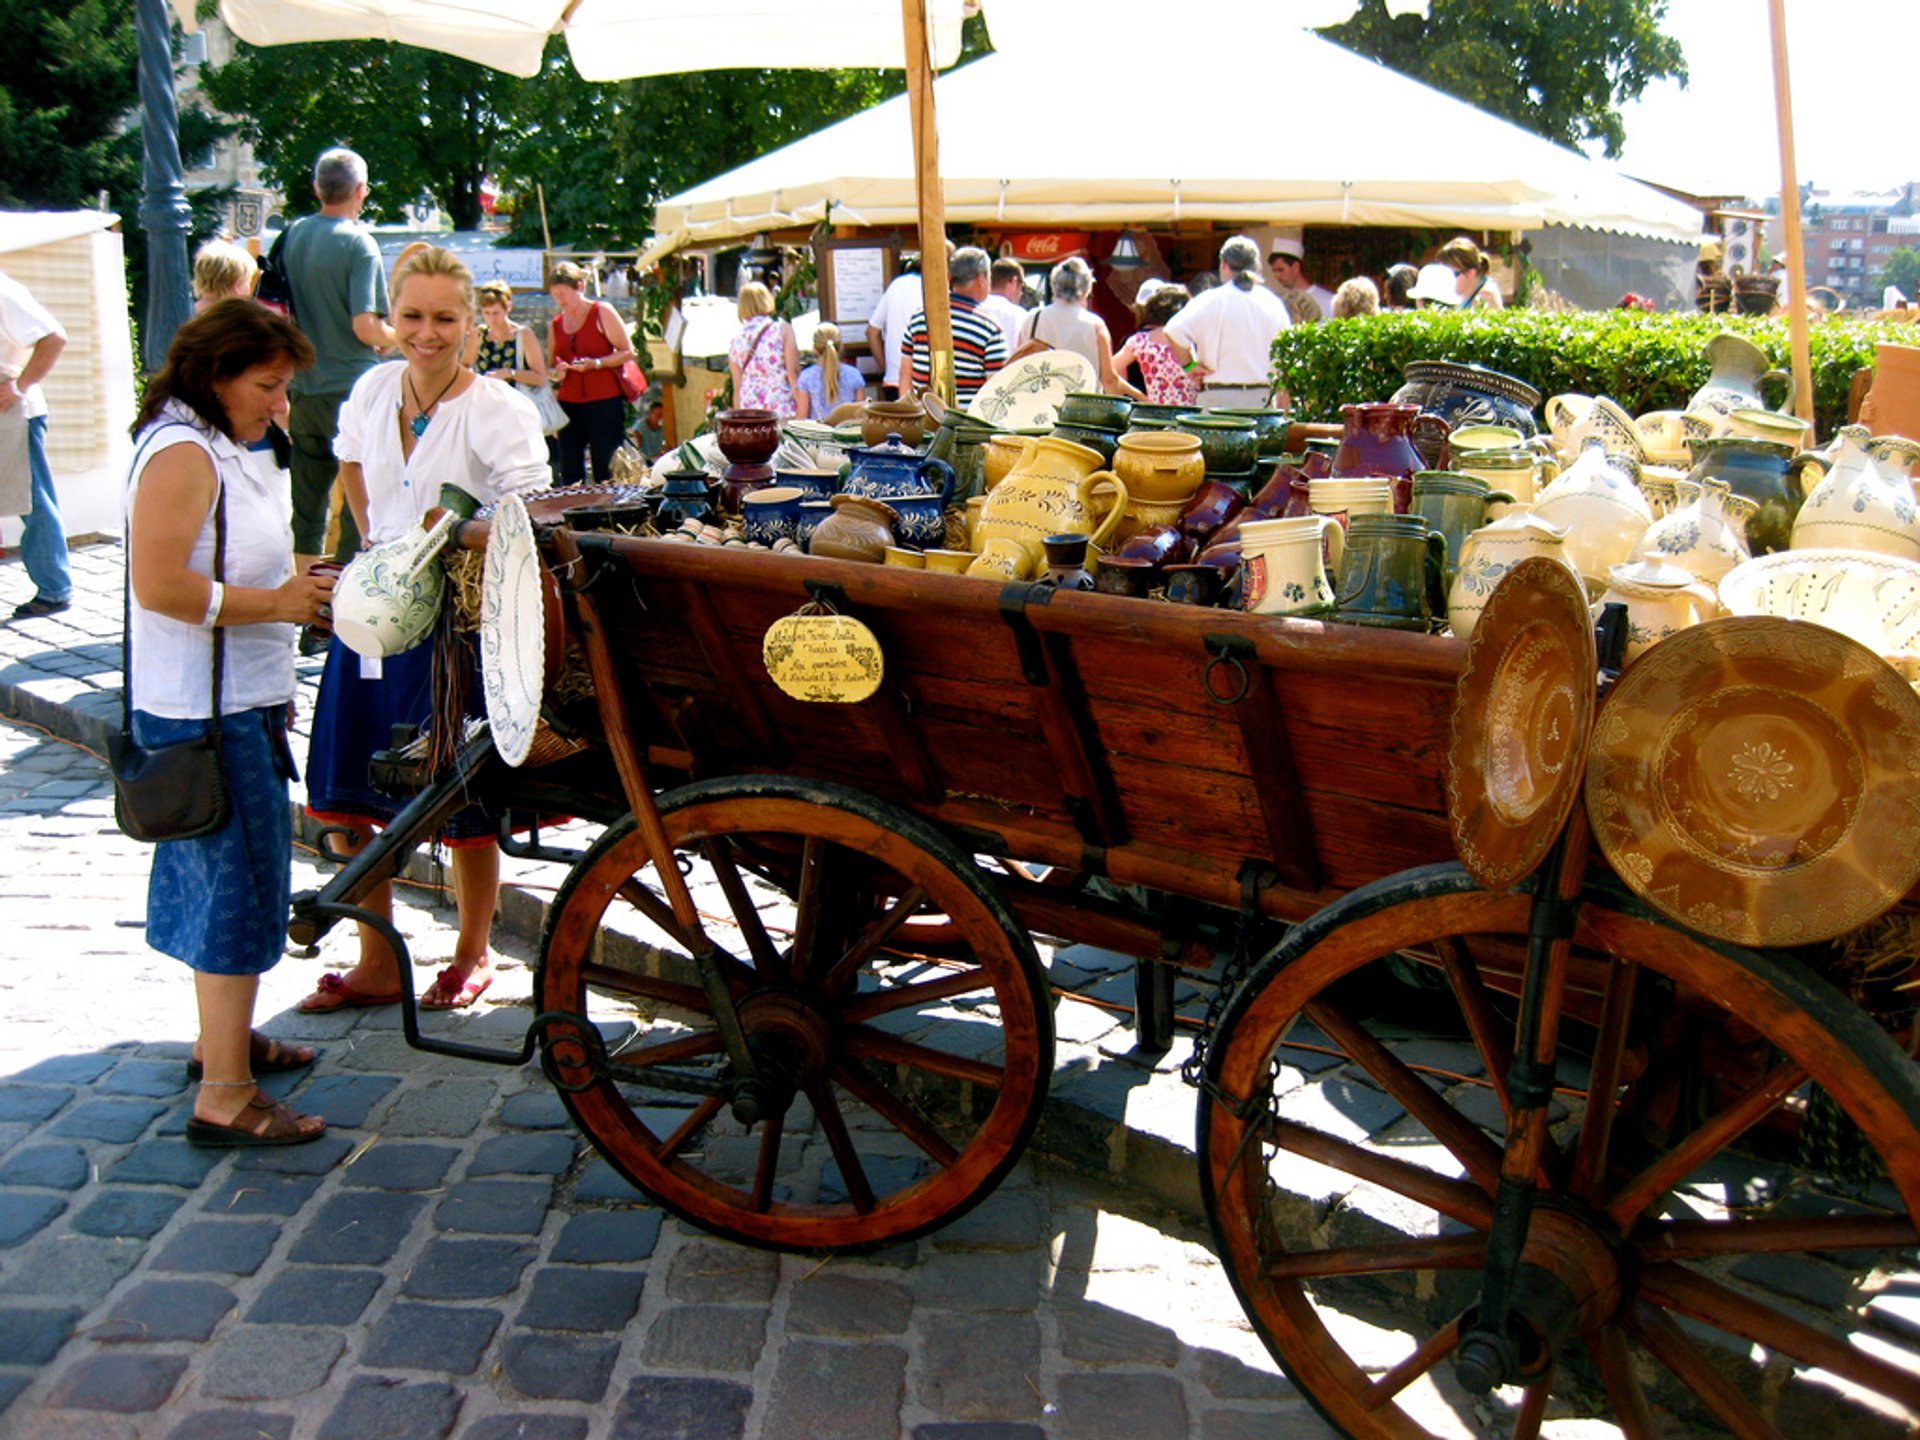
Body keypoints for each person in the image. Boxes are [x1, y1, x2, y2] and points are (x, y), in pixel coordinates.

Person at [300, 247, 549, 1015]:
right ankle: (378, 957)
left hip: (457, 622)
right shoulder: (372, 389)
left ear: (473, 325)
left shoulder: (496, 408)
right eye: (412, 316)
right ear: (391, 320)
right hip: (371, 613)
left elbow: (532, 513)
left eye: (445, 318)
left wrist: (455, 545)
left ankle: (473, 952)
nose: (427, 332)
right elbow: (349, 464)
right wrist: (378, 538)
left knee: (460, 796)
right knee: (353, 788)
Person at [124, 300, 335, 1145]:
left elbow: (231, 557)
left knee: (224, 885)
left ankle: (225, 1040)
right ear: (217, 377)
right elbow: (159, 584)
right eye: (269, 385)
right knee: (240, 894)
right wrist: (280, 601)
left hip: (229, 701)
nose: (280, 403)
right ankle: (224, 1093)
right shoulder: (183, 451)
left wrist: (307, 578)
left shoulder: (214, 442)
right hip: (205, 715)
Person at [281, 148, 396, 574]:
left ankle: (307, 597)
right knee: (357, 500)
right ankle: (340, 598)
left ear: (317, 188)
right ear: (361, 191)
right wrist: (397, 337)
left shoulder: (293, 234)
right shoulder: (358, 243)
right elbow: (366, 326)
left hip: (304, 388)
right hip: (352, 389)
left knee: (307, 503)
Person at [0, 270, 71, 620]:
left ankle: (54, 587)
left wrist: (20, 385)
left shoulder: (3, 291)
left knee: (33, 499)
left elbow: (54, 337)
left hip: (12, 411)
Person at [1161, 236, 1292, 410]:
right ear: (1257, 267)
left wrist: (1190, 366)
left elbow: (1173, 329)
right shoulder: (1273, 303)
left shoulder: (1210, 300)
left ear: (1223, 264)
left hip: (1218, 398)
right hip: (1261, 400)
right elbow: (1286, 355)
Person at [547, 259, 636, 483]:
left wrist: (596, 364)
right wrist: (557, 372)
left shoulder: (601, 312)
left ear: (579, 287)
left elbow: (627, 351)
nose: (560, 300)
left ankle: (608, 516)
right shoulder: (555, 324)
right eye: (555, 294)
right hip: (569, 404)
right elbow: (550, 367)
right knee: (569, 471)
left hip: (603, 401)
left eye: (563, 293)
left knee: (606, 468)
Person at [900, 246, 1009, 406]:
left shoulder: (919, 317)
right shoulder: (990, 327)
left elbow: (905, 373)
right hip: (968, 423)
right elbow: (997, 387)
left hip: (922, 417)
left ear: (949, 277)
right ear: (981, 279)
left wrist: (908, 414)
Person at [1011, 256, 1126, 394]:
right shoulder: (1095, 325)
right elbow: (1108, 379)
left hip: (1041, 406)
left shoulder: (1032, 319)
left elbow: (1018, 365)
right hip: (1084, 408)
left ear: (1053, 285)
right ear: (1086, 289)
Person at [1112, 281, 1199, 407]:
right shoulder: (1194, 339)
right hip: (1190, 418)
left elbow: (1109, 370)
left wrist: (1139, 396)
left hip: (1155, 416)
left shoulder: (1140, 341)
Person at [728, 282, 800, 418]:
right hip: (780, 405)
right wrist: (803, 409)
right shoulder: (782, 329)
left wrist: (740, 419)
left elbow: (737, 387)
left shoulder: (736, 340)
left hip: (750, 409)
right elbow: (793, 373)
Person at [464, 280, 548, 395]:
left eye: (496, 313)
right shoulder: (479, 334)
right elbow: (465, 365)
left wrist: (509, 373)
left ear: (508, 307)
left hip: (515, 402)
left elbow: (540, 378)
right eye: (487, 313)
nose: (492, 319)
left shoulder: (523, 335)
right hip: (486, 399)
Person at [794, 322, 865, 420]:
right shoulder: (854, 374)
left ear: (814, 348)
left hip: (817, 433)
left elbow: (802, 416)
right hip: (846, 432)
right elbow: (860, 415)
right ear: (841, 346)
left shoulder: (806, 377)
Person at [1267, 238, 1337, 323]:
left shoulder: (1328, 301)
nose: (1276, 276)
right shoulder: (1278, 301)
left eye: (1281, 270)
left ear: (1296, 267)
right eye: (1274, 271)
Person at [979, 259, 1030, 356]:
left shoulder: (975, 308)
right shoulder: (1019, 315)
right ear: (1014, 282)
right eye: (1022, 286)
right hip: (1007, 370)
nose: (1021, 293)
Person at [1438, 237, 1504, 309]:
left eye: (1453, 274)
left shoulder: (1484, 298)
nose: (1447, 278)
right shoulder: (1467, 294)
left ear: (1471, 272)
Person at [192, 241, 258, 312]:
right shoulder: (239, 317)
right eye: (247, 281)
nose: (248, 287)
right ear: (237, 285)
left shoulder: (185, 313)